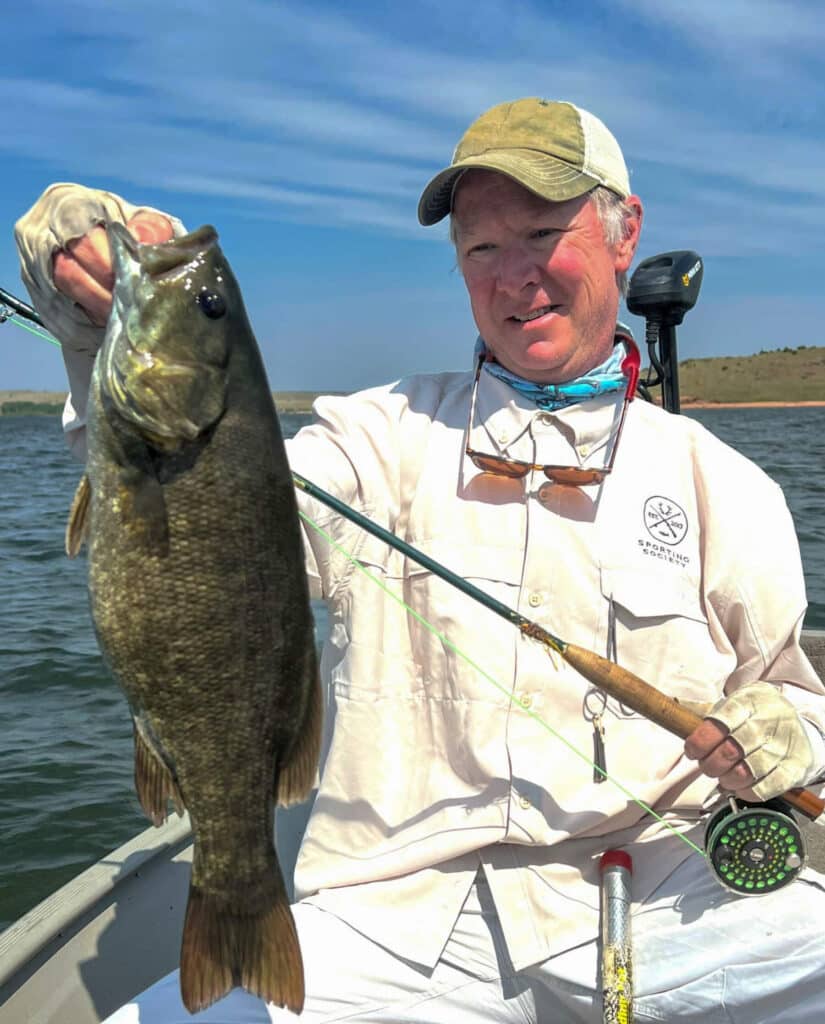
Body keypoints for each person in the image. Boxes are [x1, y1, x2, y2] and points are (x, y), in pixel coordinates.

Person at [15, 98, 825, 1023]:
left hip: (668, 898)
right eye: (481, 249)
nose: (516, 276)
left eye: (543, 232)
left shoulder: (722, 482)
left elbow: (794, 694)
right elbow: (198, 504)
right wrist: (91, 335)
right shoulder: (370, 438)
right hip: (390, 917)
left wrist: (785, 733)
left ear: (622, 233)